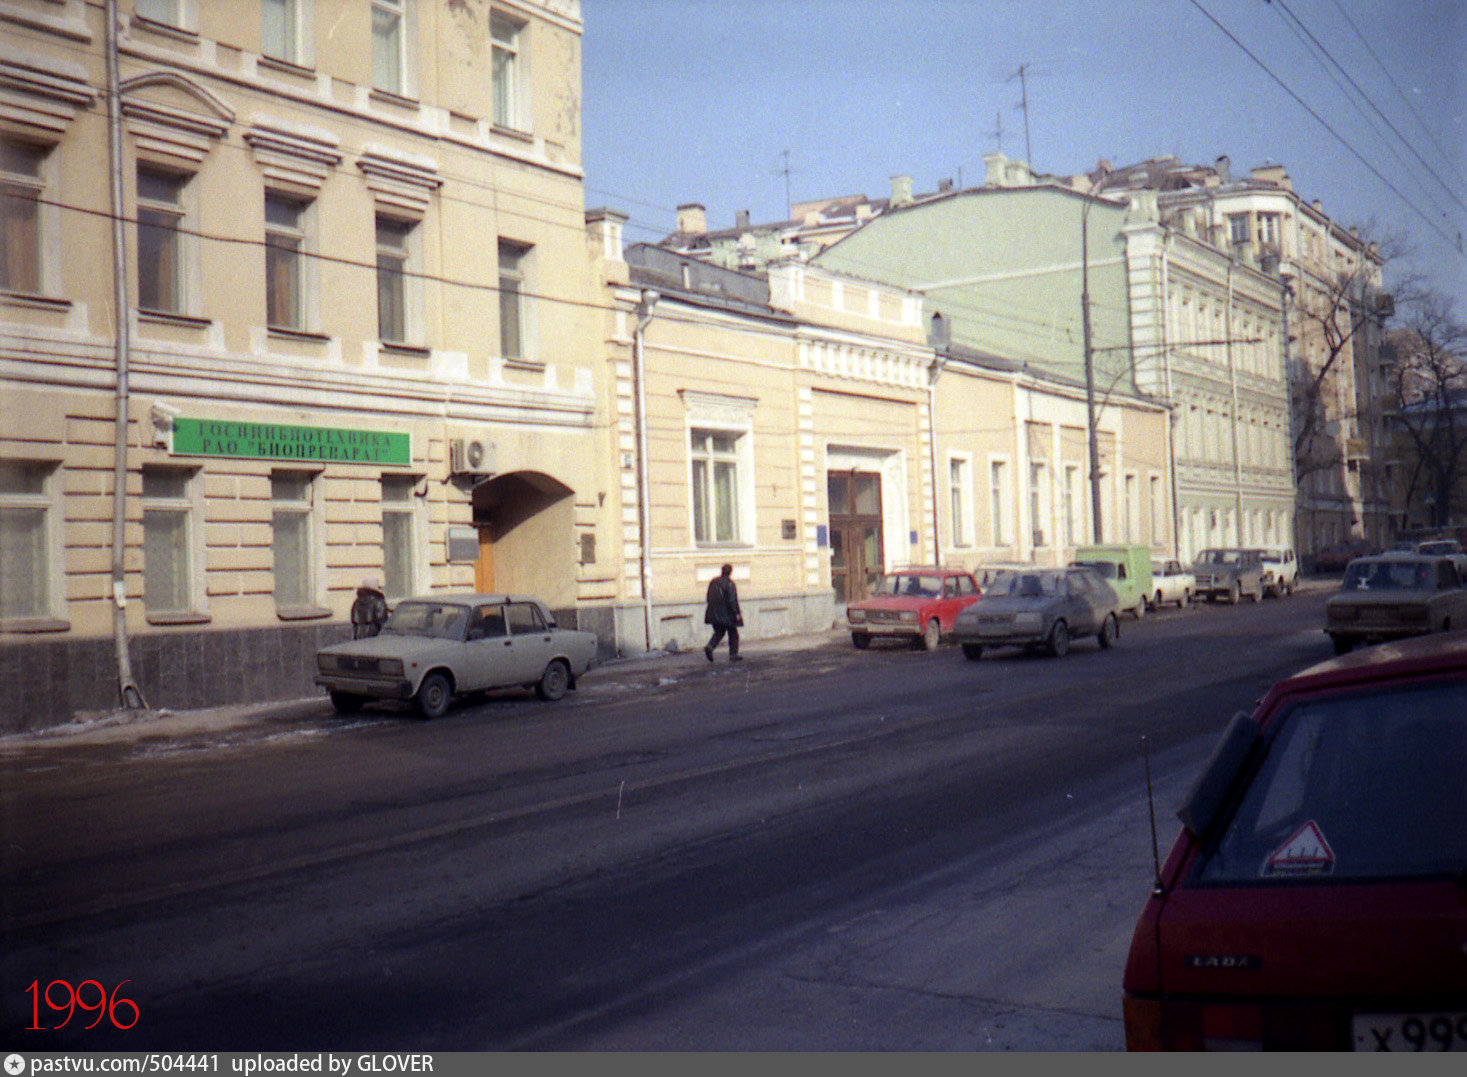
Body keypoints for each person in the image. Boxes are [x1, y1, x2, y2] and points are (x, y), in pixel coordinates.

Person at [703, 563, 743, 662]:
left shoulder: (713, 582)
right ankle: (733, 654)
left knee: (719, 632)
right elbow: (732, 600)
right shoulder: (730, 584)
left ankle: (710, 646)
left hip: (713, 613)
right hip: (727, 614)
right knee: (733, 633)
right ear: (730, 572)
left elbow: (708, 597)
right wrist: (736, 613)